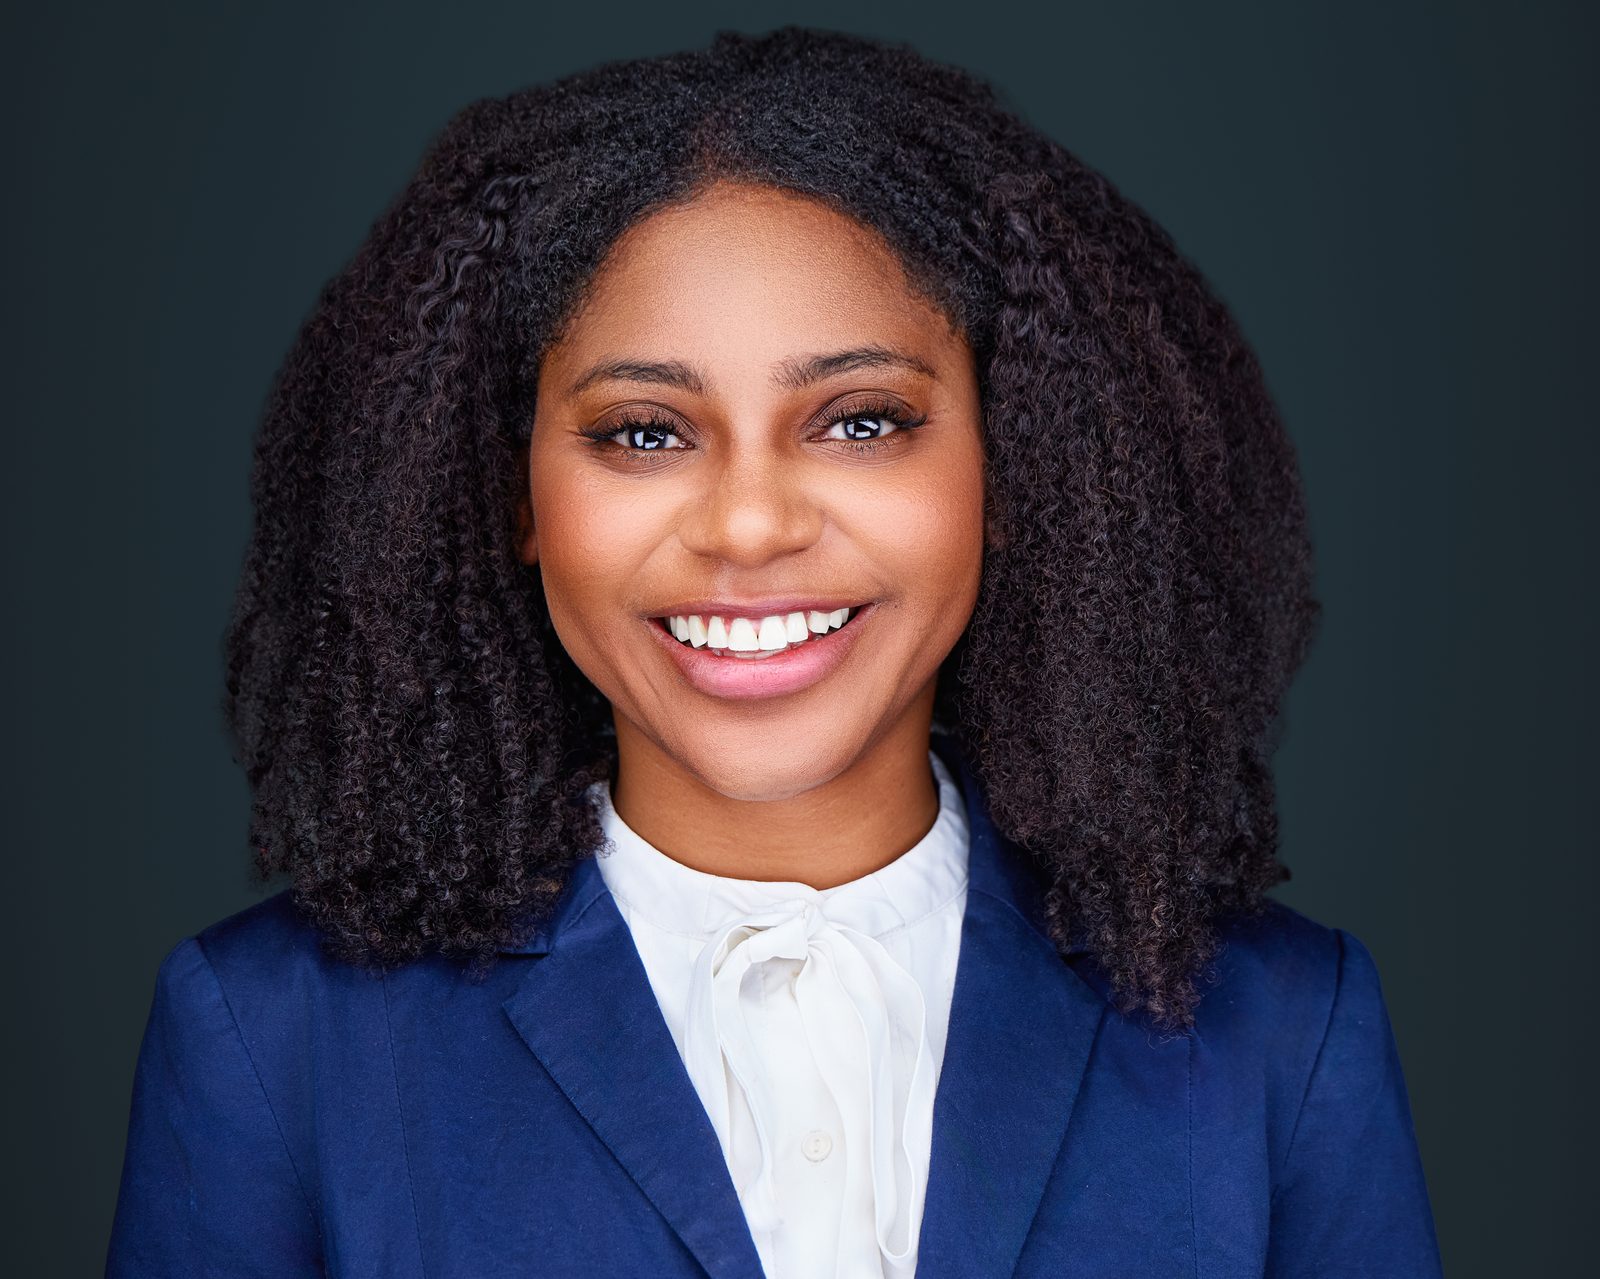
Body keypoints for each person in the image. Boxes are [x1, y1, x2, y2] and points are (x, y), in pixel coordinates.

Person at [104, 26, 1443, 1278]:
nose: (748, 525)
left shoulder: (1281, 1031)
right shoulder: (272, 1041)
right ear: (509, 496)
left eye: (859, 422)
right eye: (642, 431)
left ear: (1013, 465)